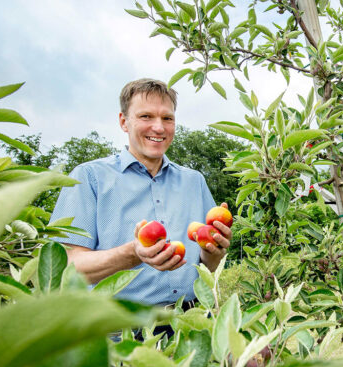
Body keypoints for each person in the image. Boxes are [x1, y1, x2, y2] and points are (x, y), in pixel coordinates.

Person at [50, 78, 231, 309]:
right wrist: (132, 253)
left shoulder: (194, 181)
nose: (159, 127)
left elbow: (208, 265)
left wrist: (215, 249)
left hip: (190, 320)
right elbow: (65, 267)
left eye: (167, 118)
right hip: (117, 329)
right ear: (124, 122)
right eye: (146, 116)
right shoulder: (89, 177)